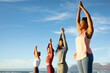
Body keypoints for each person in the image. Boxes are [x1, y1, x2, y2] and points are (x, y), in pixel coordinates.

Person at [73, 1, 94, 73]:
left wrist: (82, 8)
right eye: (80, 23)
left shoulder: (88, 32)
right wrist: (79, 10)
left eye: (82, 23)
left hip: (86, 55)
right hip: (79, 56)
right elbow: (77, 21)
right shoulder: (80, 32)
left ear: (86, 24)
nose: (80, 24)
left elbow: (88, 17)